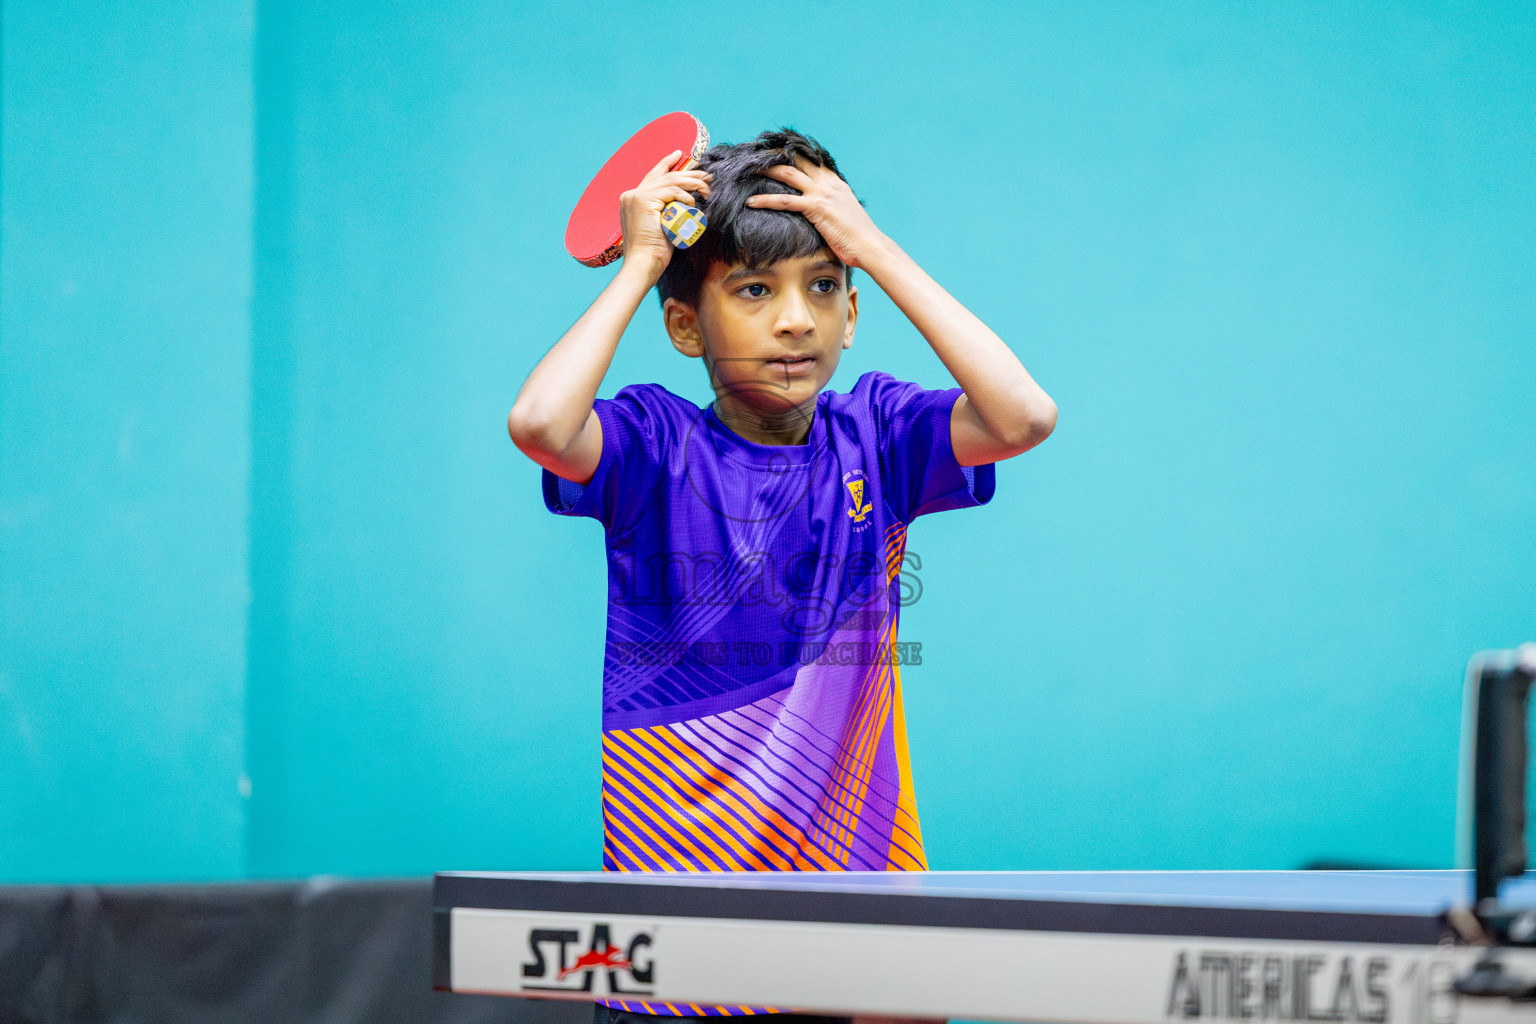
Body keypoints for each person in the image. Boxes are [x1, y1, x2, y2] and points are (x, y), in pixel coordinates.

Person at [507, 128, 1057, 1022]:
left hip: (862, 903)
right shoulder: (652, 445)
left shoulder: (878, 436)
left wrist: (873, 246)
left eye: (824, 286)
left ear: (851, 313)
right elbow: (540, 424)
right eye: (755, 290)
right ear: (685, 325)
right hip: (683, 925)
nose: (796, 319)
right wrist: (641, 264)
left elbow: (1024, 415)